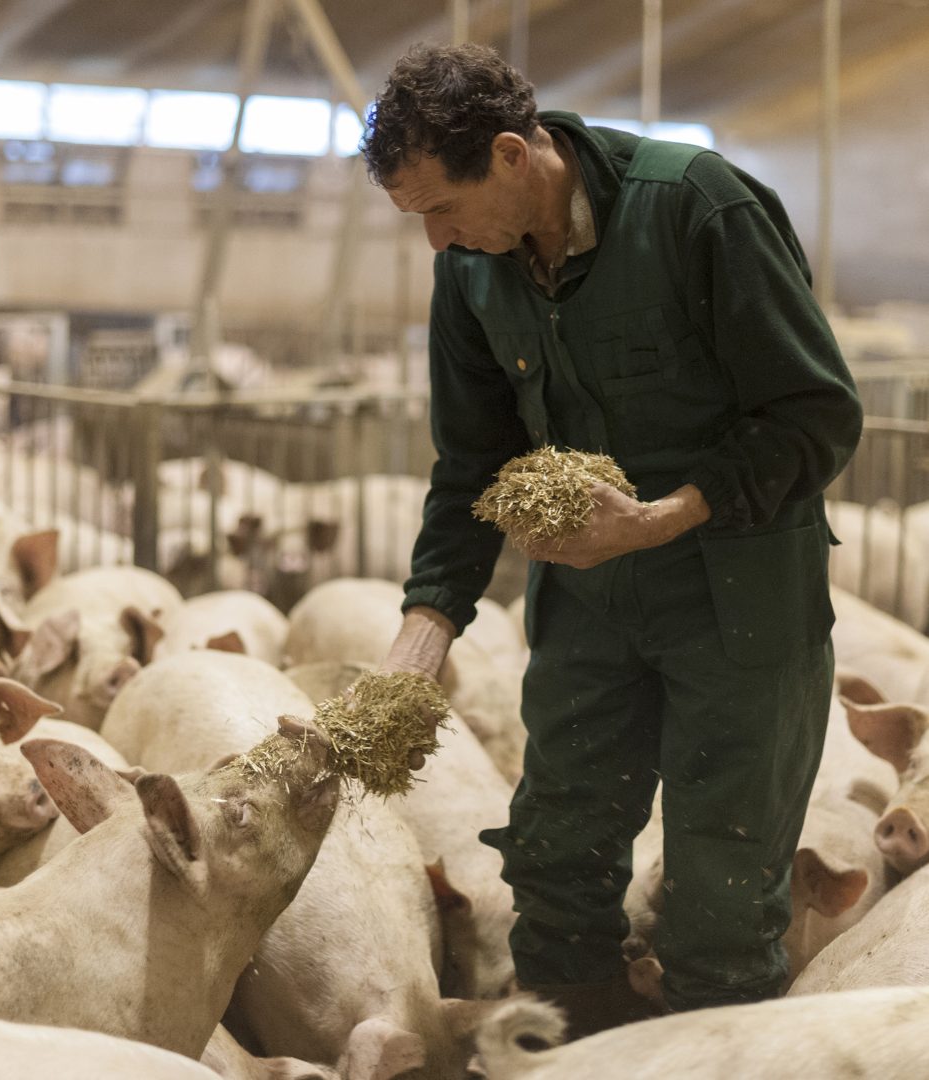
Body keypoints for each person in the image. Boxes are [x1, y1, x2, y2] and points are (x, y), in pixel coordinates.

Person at [361, 43, 863, 1033]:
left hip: (737, 602)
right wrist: (422, 636)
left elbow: (814, 416)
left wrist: (662, 516)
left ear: (510, 155)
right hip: (588, 601)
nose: (432, 239)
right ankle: (570, 1051)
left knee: (719, 903)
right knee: (554, 872)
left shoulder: (693, 208)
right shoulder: (472, 266)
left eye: (436, 208)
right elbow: (470, 464)